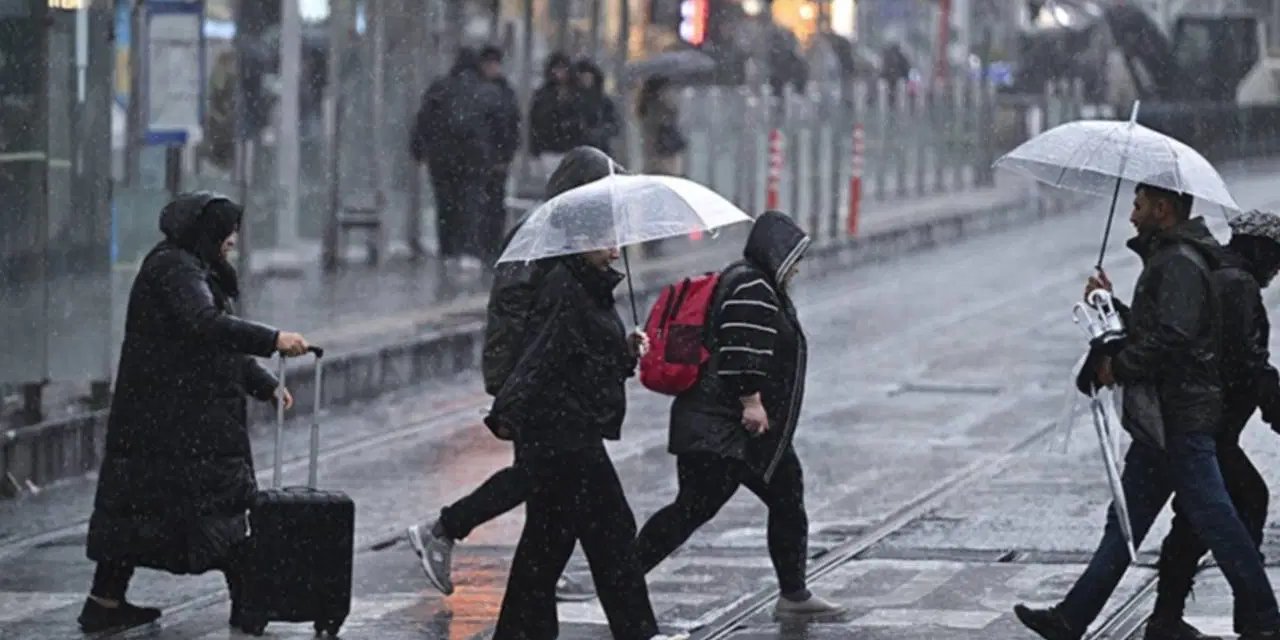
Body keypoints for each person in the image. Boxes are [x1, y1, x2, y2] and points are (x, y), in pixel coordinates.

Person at [1014, 184, 1280, 640]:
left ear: (1163, 208)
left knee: (1215, 517)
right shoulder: (1180, 260)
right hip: (1169, 418)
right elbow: (1164, 329)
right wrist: (1109, 308)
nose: (1132, 216)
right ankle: (1073, 618)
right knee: (1136, 521)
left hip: (1179, 416)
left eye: (1138, 206)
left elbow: (1176, 336)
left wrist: (1118, 363)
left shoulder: (1179, 261)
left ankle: (1259, 619)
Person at [81, 192, 311, 634]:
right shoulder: (175, 269)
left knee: (137, 513)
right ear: (207, 232)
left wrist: (261, 382)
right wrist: (272, 338)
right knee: (215, 513)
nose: (232, 241)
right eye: (228, 231)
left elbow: (209, 343)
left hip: (163, 419)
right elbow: (206, 327)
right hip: (178, 423)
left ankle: (104, 601)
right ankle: (251, 605)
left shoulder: (187, 266)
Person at [406, 147, 625, 603]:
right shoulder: (544, 238)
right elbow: (517, 317)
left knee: (545, 487)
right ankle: (444, 529)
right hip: (539, 388)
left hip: (547, 386)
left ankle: (531, 575)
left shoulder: (564, 237)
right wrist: (509, 388)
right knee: (542, 481)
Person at [629, 211, 847, 622]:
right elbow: (742, 349)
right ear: (777, 253)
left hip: (727, 427)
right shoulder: (752, 286)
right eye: (794, 256)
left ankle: (794, 592)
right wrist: (751, 400)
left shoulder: (752, 282)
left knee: (756, 499)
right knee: (710, 506)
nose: (797, 267)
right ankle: (623, 578)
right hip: (728, 427)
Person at [484, 194, 681, 640]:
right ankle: (639, 632)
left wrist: (624, 349)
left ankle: (515, 634)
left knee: (547, 542)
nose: (615, 250)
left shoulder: (588, 285)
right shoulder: (565, 288)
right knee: (611, 533)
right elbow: (543, 355)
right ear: (577, 243)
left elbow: (586, 355)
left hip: (568, 428)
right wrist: (508, 410)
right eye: (604, 241)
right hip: (564, 432)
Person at [1145, 209, 1280, 640]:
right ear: (1257, 249)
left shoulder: (1217, 273)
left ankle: (1167, 618)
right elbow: (1249, 361)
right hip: (1209, 425)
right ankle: (1256, 617)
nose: (1276, 269)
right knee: (1242, 501)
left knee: (1196, 516)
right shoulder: (1238, 285)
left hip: (1203, 422)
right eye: (1275, 257)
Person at [411, 47, 505, 273]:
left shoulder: (439, 88)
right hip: (475, 158)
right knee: (471, 203)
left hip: (441, 159)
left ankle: (448, 251)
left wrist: (419, 151)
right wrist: (500, 156)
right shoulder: (487, 91)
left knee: (445, 205)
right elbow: (501, 126)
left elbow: (423, 120)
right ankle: (469, 251)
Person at [477, 45, 523, 266]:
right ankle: (485, 246)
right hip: (482, 158)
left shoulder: (503, 92)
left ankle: (492, 245)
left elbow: (512, 126)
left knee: (495, 203)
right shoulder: (489, 91)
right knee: (484, 204)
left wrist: (505, 155)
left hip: (496, 158)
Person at [528, 51, 586, 183]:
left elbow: (583, 119)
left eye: (563, 69)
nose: (560, 73)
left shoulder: (577, 94)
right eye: (556, 69)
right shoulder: (543, 95)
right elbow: (535, 122)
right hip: (549, 148)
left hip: (571, 148)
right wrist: (536, 149)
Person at [574, 58, 621, 156]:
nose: (585, 79)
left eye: (588, 76)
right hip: (578, 150)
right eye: (582, 76)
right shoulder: (573, 100)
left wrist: (598, 133)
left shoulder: (603, 101)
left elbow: (614, 125)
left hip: (601, 150)